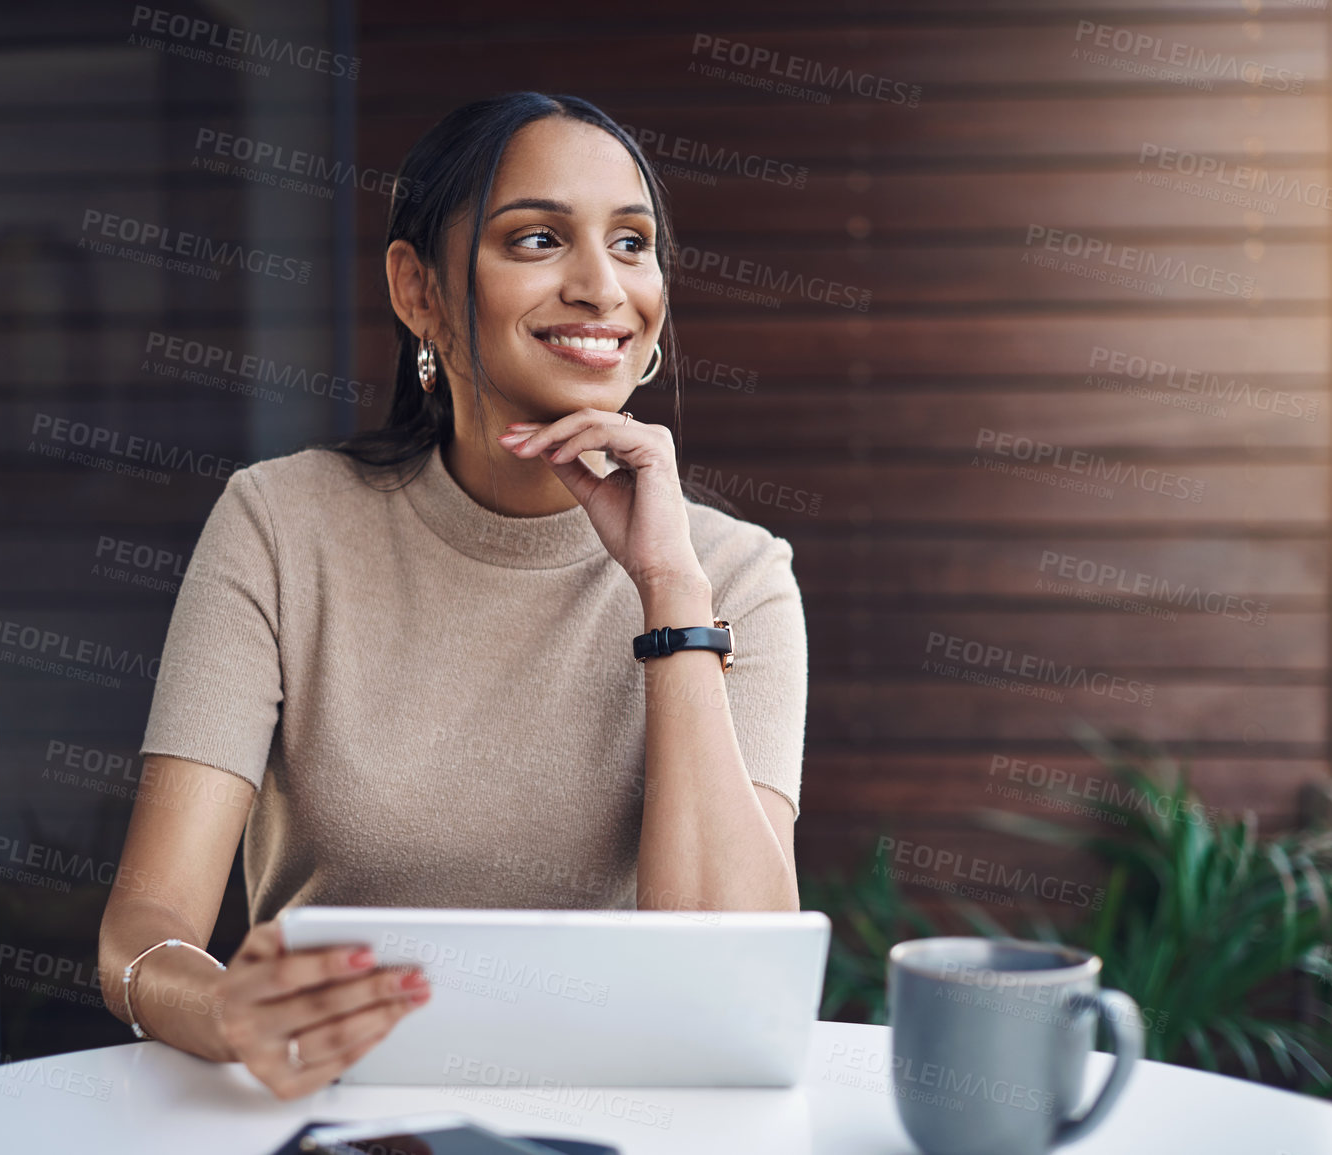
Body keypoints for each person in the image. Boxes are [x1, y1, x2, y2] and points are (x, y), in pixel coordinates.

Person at [98, 91, 809, 1101]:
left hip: (620, 1117)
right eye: (536, 239)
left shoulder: (733, 575)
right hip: (334, 1109)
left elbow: (732, 983)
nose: (603, 286)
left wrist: (667, 590)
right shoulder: (279, 525)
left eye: (633, 243)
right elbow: (142, 928)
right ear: (419, 290)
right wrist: (216, 1009)